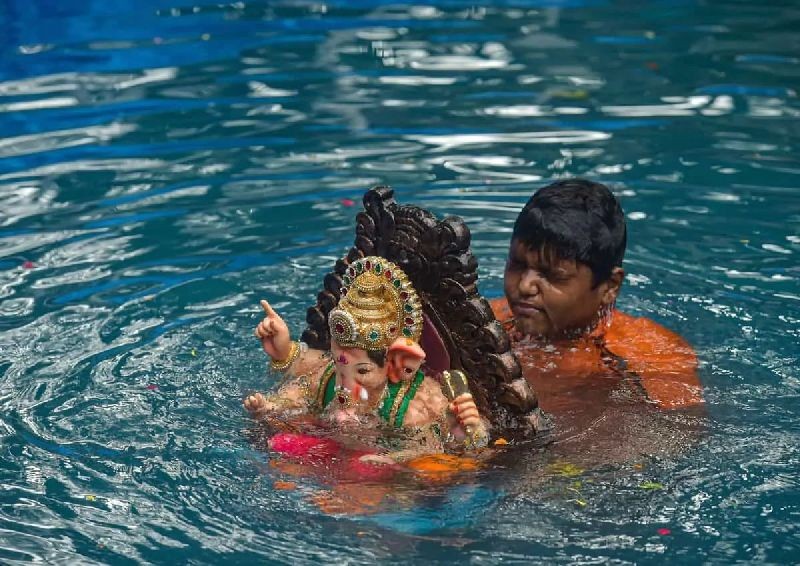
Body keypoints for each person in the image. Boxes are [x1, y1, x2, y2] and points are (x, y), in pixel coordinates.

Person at [245, 255, 489, 466]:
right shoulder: (329, 375)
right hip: (330, 452)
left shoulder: (412, 406)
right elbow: (300, 384)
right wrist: (275, 391)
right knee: (280, 444)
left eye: (362, 372)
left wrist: (463, 432)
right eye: (341, 370)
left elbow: (432, 447)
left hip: (378, 471)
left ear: (398, 364)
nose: (345, 385)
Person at [490, 179, 704, 417]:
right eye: (517, 265)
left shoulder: (651, 354)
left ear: (610, 286)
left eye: (553, 275)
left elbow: (677, 434)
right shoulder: (485, 321)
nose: (525, 285)